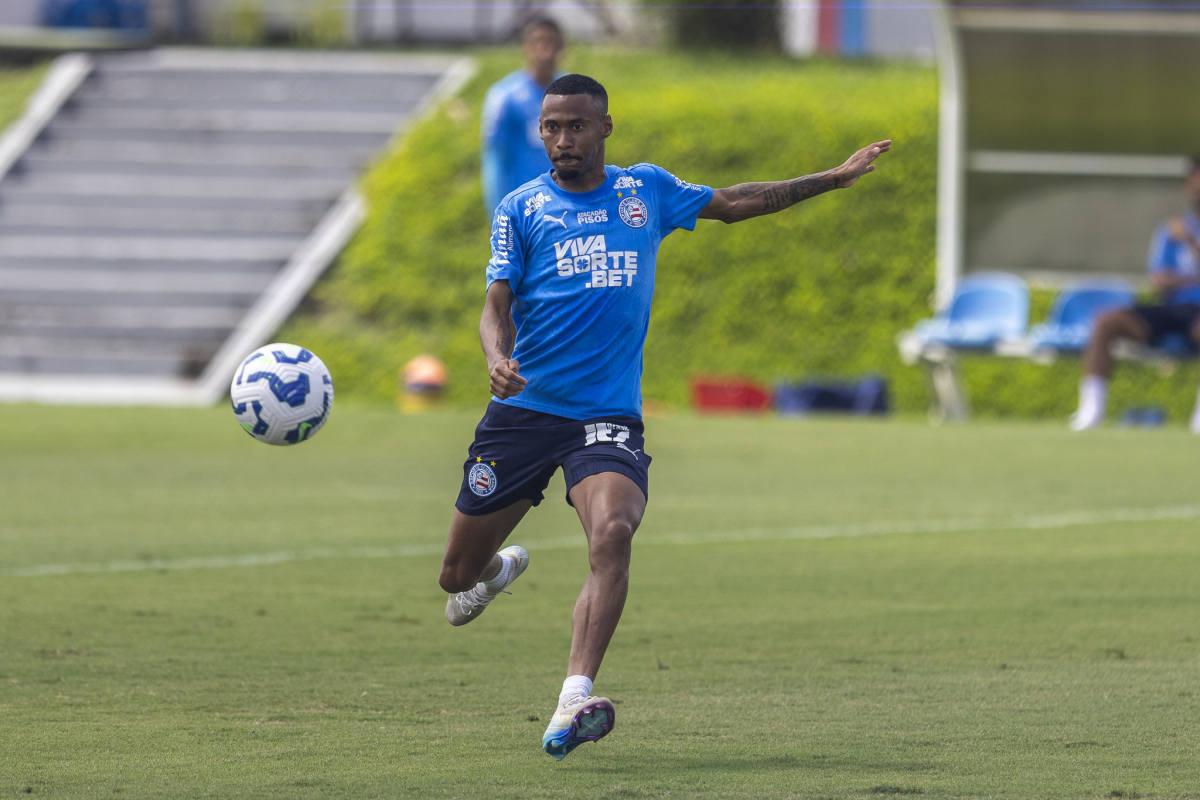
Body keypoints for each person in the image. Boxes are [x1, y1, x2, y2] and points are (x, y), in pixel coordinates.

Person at [439, 73, 891, 760]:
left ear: (605, 129)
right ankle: (493, 572)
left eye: (577, 126)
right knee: (455, 577)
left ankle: (573, 696)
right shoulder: (522, 208)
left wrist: (834, 177)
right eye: (552, 127)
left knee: (614, 531)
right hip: (524, 411)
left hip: (606, 414)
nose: (563, 138)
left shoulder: (642, 190)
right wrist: (496, 356)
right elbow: (494, 305)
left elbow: (736, 202)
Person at [1070, 156, 1200, 432]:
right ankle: (1091, 412)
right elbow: (1159, 281)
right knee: (1106, 322)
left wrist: (1190, 243)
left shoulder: (1185, 235)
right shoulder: (1171, 229)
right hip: (1170, 310)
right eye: (1194, 180)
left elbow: (1172, 277)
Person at [481, 15, 565, 213]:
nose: (544, 49)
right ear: (525, 47)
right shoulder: (504, 96)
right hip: (525, 208)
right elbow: (495, 157)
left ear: (562, 46)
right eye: (537, 41)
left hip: (566, 205)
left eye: (550, 41)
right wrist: (499, 211)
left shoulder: (573, 93)